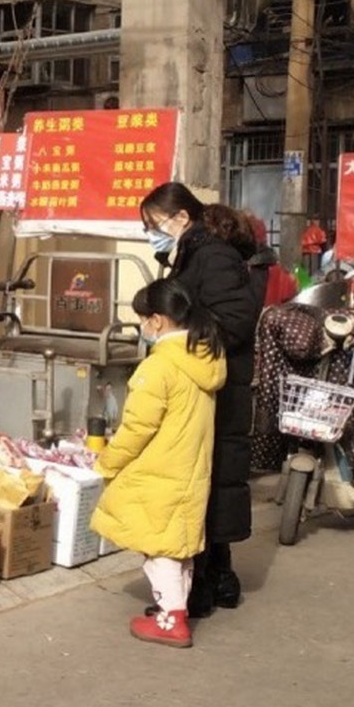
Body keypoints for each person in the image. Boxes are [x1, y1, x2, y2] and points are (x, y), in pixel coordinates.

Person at [140, 183, 264, 618]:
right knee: (211, 482)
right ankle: (220, 577)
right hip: (211, 384)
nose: (151, 233)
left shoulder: (211, 254)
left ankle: (203, 586)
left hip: (215, 387)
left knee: (205, 484)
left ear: (181, 218)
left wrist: (177, 341)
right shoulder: (197, 252)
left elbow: (233, 320)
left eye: (154, 225)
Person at [91, 279, 227, 648]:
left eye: (142, 321)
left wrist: (108, 460)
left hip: (158, 471)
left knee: (160, 549)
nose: (142, 329)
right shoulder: (205, 358)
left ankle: (172, 621)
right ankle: (174, 610)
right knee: (178, 546)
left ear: (157, 321)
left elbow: (137, 427)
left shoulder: (159, 367)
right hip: (190, 470)